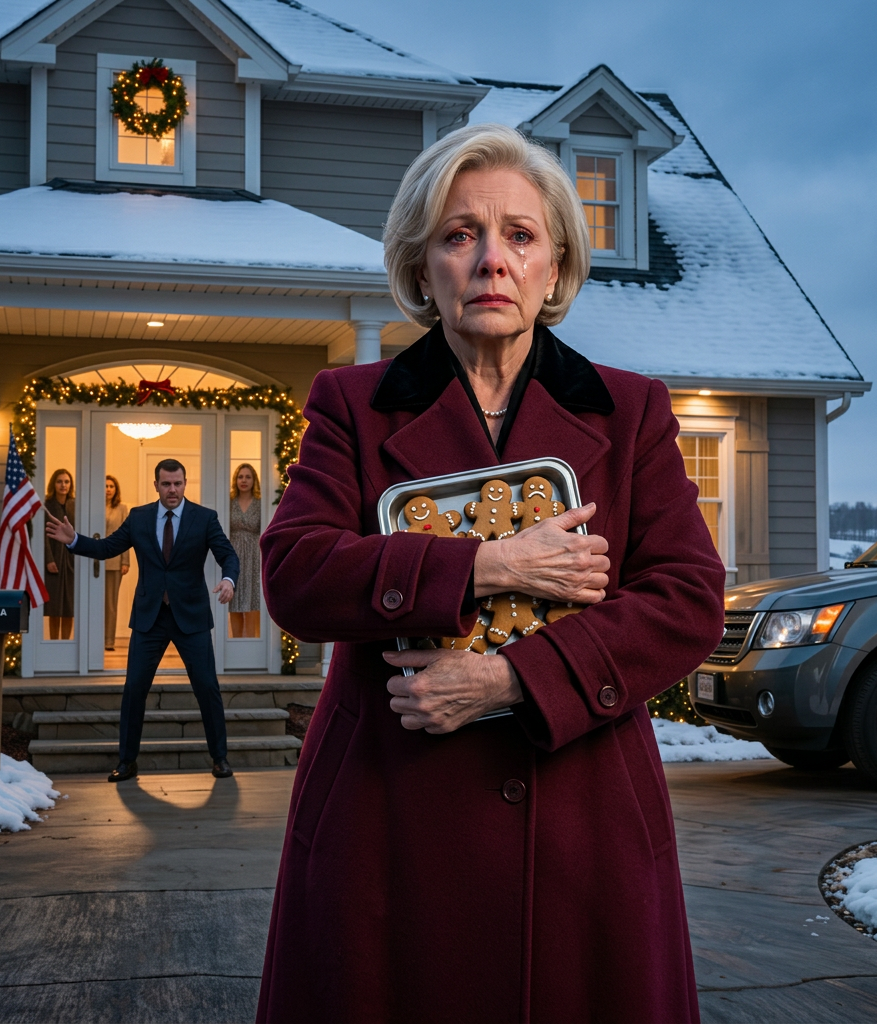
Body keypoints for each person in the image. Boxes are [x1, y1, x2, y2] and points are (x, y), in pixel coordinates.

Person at [255, 123, 726, 1024]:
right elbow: (296, 574)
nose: (490, 261)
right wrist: (486, 563)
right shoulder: (351, 406)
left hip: (584, 822)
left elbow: (688, 599)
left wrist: (511, 680)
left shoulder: (630, 412)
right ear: (420, 264)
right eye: (459, 234)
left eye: (519, 235)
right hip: (384, 822)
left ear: (555, 266)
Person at [45, 459, 240, 783]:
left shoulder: (204, 518)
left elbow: (228, 555)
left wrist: (229, 580)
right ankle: (127, 761)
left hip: (190, 617)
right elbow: (108, 547)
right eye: (166, 484)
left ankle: (220, 758)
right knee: (134, 688)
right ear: (156, 485)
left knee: (207, 687)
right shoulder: (139, 517)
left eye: (178, 483)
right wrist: (74, 540)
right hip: (150, 618)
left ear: (185, 483)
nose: (173, 489)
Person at [228, 463, 262, 638]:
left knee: (252, 602)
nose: (244, 480)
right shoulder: (229, 501)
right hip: (233, 552)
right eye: (240, 476)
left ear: (254, 480)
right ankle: (235, 643)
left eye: (248, 477)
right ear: (236, 480)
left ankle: (249, 645)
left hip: (254, 555)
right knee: (234, 601)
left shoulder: (260, 503)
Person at [43, 468, 75, 640]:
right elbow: (43, 535)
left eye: (67, 481)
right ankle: (54, 644)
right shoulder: (47, 506)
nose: (63, 485)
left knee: (69, 606)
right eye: (59, 481)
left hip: (71, 560)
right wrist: (49, 559)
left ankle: (66, 642)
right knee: (55, 605)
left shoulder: (75, 505)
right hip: (54, 559)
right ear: (53, 484)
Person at [104, 475, 130, 652]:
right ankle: (93, 638)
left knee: (110, 604)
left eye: (111, 486)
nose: (108, 489)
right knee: (93, 603)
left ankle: (108, 641)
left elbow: (127, 536)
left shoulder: (122, 509)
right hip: (94, 563)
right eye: (105, 486)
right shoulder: (93, 505)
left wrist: (125, 561)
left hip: (114, 562)